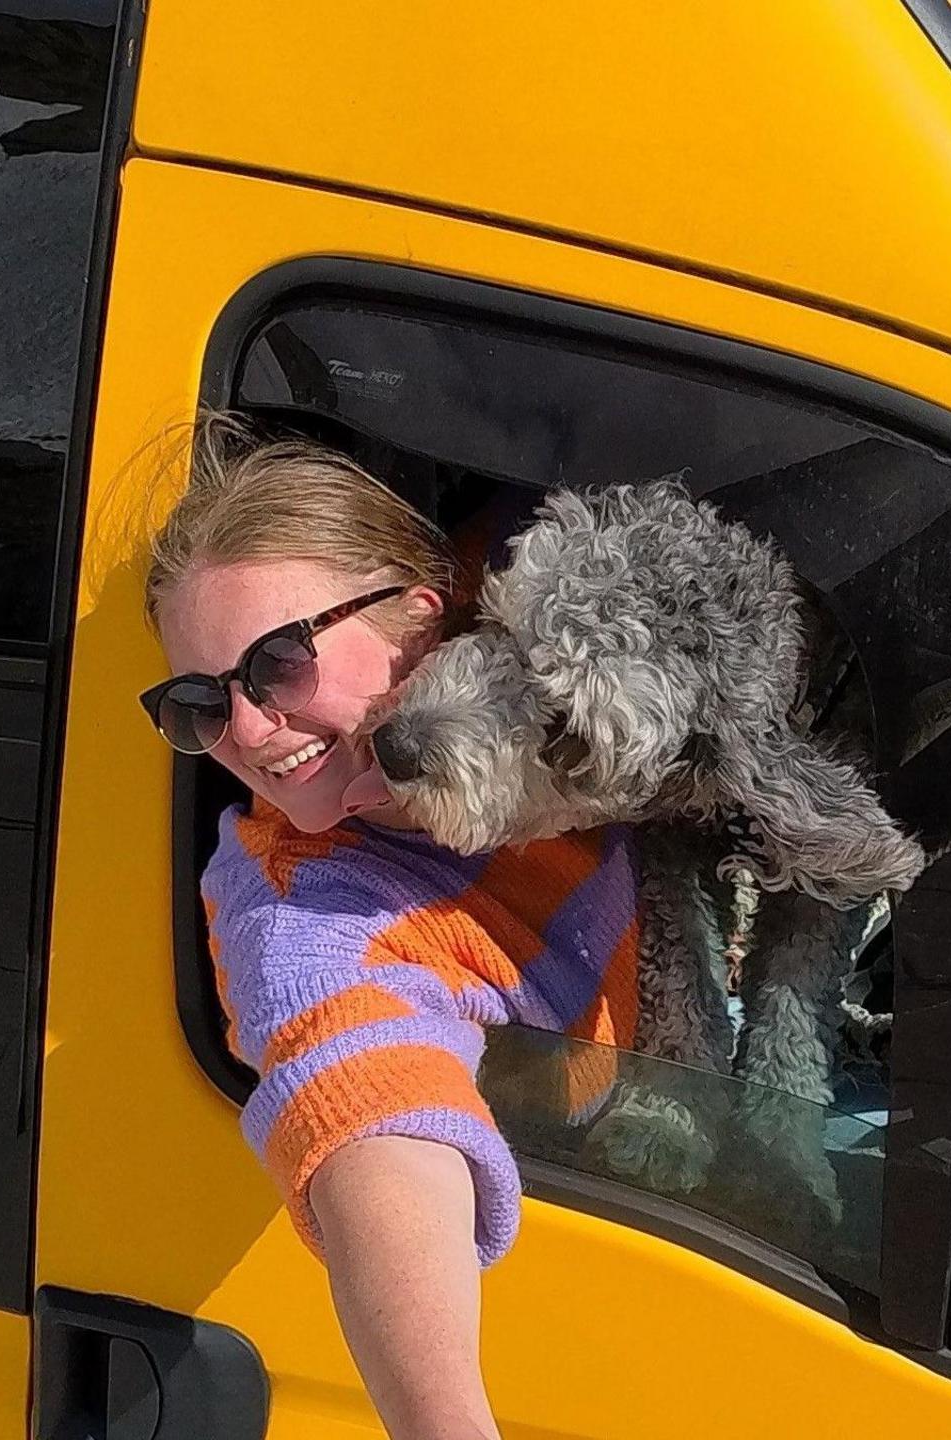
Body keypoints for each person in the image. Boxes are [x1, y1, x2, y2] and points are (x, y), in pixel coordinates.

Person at [140, 419, 638, 1440]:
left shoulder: (560, 627)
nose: (243, 729)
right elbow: (365, 1101)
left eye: (277, 663)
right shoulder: (303, 906)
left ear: (424, 613)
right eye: (200, 703)